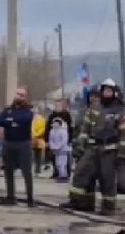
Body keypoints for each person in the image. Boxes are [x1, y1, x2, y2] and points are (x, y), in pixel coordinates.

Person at [60, 78, 125, 215]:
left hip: (110, 149)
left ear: (114, 92)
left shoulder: (120, 110)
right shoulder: (94, 107)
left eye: (109, 90)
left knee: (107, 179)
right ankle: (79, 202)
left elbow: (123, 134)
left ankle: (108, 207)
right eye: (105, 89)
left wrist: (121, 154)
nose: (107, 92)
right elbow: (85, 129)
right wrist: (80, 147)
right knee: (81, 172)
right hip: (93, 147)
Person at [0, 86, 35, 207]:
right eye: (18, 94)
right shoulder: (8, 109)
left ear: (25, 97)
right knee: (8, 171)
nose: (19, 97)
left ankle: (30, 198)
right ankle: (10, 197)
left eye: (22, 95)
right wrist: (12, 122)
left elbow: (24, 119)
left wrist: (11, 121)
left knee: (26, 172)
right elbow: (0, 121)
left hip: (23, 144)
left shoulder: (29, 110)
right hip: (8, 143)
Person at [45, 99, 73, 178]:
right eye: (56, 106)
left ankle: (66, 173)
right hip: (54, 140)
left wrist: (69, 139)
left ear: (62, 106)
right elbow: (47, 128)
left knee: (64, 158)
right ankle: (56, 172)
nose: (57, 107)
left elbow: (70, 129)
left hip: (64, 140)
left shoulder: (66, 115)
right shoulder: (52, 116)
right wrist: (47, 140)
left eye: (59, 106)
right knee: (54, 158)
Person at [49, 118, 70, 182]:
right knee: (57, 164)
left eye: (57, 123)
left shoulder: (63, 131)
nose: (55, 124)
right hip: (56, 150)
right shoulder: (52, 131)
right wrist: (53, 146)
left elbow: (64, 141)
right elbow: (51, 140)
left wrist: (59, 146)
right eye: (55, 123)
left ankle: (64, 176)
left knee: (62, 163)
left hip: (63, 150)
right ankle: (61, 175)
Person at [31, 108, 46, 176]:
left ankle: (38, 170)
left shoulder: (41, 119)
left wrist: (35, 134)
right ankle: (36, 170)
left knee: (38, 155)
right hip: (33, 138)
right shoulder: (31, 119)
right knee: (34, 155)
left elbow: (42, 129)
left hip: (38, 139)